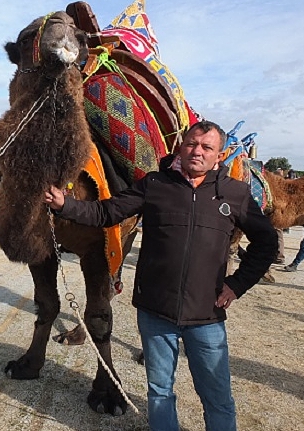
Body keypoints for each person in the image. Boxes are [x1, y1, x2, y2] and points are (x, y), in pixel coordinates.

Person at [44, 120, 277, 431]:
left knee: (217, 397)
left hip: (206, 315)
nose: (197, 151)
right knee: (160, 394)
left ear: (219, 156)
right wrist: (64, 205)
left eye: (207, 147)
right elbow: (106, 212)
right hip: (156, 313)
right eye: (192, 144)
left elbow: (266, 243)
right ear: (181, 146)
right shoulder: (155, 184)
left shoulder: (235, 194)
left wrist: (236, 285)